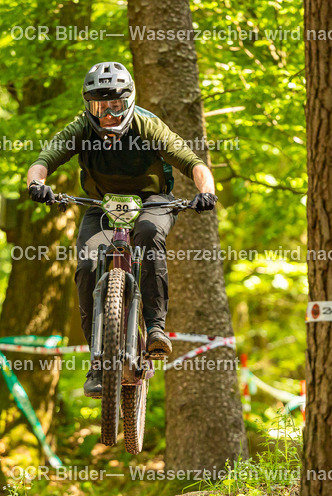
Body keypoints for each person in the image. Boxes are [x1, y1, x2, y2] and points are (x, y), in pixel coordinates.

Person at [25, 61, 218, 398]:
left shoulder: (147, 125)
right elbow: (46, 158)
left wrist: (206, 192)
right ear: (89, 106)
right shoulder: (82, 128)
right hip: (100, 206)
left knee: (146, 233)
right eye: (100, 107)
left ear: (128, 102)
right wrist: (36, 184)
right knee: (86, 266)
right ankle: (98, 362)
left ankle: (155, 328)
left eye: (115, 105)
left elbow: (193, 162)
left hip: (152, 201)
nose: (108, 115)